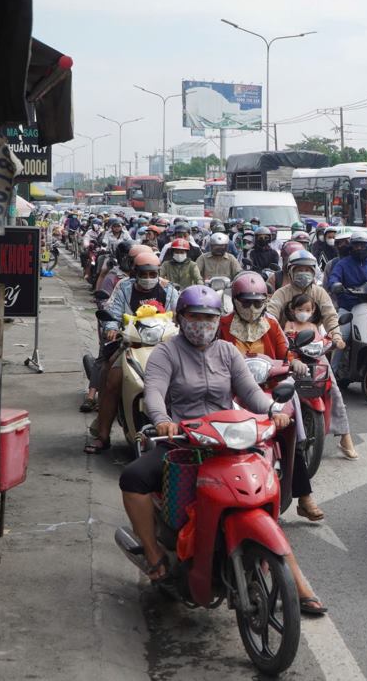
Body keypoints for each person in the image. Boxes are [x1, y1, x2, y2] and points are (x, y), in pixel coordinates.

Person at [119, 285, 329, 616]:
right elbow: (155, 393)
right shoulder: (166, 353)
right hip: (184, 441)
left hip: (228, 439)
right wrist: (162, 421)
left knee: (262, 492)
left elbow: (250, 394)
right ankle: (154, 554)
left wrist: (274, 409)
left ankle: (299, 585)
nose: (202, 325)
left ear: (218, 321)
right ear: (181, 319)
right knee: (133, 478)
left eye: (209, 318)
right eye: (195, 318)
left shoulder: (228, 353)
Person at [217, 273, 327, 518]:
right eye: (246, 302)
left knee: (291, 434)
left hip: (270, 389)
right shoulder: (222, 324)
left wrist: (293, 363)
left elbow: (285, 353)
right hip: (233, 392)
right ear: (235, 300)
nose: (252, 308)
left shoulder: (272, 324)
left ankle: (304, 497)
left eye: (257, 302)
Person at [85, 252, 180, 453]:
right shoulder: (123, 288)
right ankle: (103, 435)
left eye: (152, 274)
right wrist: (111, 328)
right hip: (130, 346)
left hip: (164, 348)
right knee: (111, 379)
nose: (148, 279)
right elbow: (112, 313)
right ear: (135, 272)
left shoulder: (169, 290)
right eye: (143, 274)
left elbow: (178, 315)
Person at [280, 292, 357, 462]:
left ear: (313, 310)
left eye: (307, 309)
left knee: (334, 390)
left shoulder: (314, 325)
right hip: (295, 358)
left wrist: (336, 339)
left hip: (317, 358)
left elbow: (327, 331)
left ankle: (345, 436)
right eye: (300, 309)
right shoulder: (290, 324)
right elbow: (283, 336)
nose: (304, 312)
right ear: (293, 310)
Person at [328, 231, 367, 312]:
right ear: (351, 247)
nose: (359, 248)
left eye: (362, 245)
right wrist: (335, 285)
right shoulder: (342, 264)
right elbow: (334, 277)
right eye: (356, 245)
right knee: (340, 323)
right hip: (348, 307)